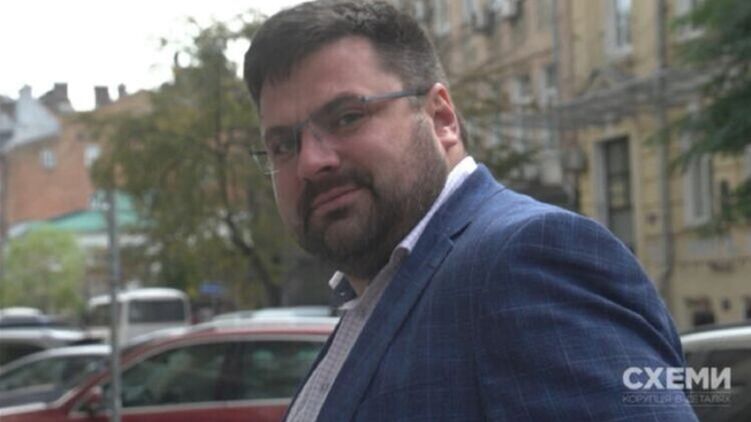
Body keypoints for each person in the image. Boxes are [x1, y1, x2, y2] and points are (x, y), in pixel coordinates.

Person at [243, 1, 697, 420]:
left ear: (441, 118)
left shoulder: (527, 260)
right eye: (283, 145)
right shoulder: (376, 294)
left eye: (347, 117)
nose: (311, 162)